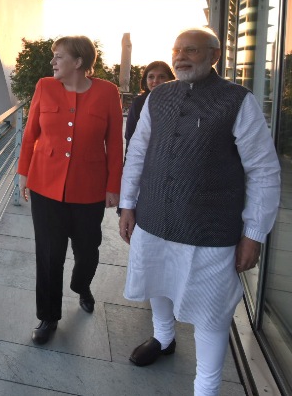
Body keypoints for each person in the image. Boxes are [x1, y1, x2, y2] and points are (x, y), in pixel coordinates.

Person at [118, 27, 280, 395]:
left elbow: (263, 170)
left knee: (211, 312)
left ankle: (205, 389)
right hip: (154, 218)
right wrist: (128, 205)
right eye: (177, 50)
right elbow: (138, 154)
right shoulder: (158, 97)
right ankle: (162, 337)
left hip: (209, 229)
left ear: (214, 56)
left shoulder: (237, 101)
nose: (181, 57)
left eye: (191, 50)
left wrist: (254, 234)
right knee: (155, 281)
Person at [17, 35, 123, 345]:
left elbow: (115, 143)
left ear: (78, 62)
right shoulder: (44, 87)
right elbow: (30, 133)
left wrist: (113, 186)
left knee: (88, 251)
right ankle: (48, 316)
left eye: (59, 56)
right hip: (45, 185)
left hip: (89, 189)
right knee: (49, 255)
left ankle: (82, 285)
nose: (53, 62)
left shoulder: (107, 92)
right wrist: (24, 172)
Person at [124, 60, 175, 152]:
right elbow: (130, 136)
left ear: (170, 80)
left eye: (161, 77)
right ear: (145, 80)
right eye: (151, 77)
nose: (155, 81)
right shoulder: (139, 103)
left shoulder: (177, 102)